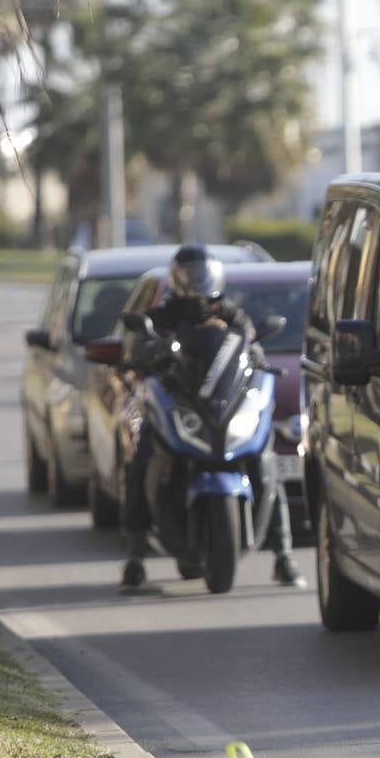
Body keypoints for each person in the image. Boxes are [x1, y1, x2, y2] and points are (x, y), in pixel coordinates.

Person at [119, 245, 305, 592]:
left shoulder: (231, 314)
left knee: (266, 461)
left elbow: (253, 349)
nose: (197, 283)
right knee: (142, 460)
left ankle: (283, 554)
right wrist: (150, 352)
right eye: (190, 275)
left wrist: (255, 352)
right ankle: (135, 556)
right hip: (179, 406)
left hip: (224, 408)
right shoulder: (162, 317)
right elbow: (138, 349)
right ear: (177, 278)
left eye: (201, 275)